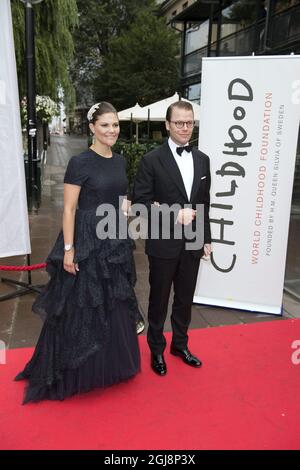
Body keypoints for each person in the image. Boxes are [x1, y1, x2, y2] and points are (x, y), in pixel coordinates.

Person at [15, 102, 141, 403]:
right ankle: (74, 371)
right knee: (82, 307)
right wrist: (69, 249)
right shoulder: (80, 162)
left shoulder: (120, 161)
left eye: (115, 125)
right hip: (85, 239)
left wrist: (133, 216)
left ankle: (109, 366)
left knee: (113, 302)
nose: (112, 130)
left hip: (112, 237)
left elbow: (120, 201)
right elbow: (69, 209)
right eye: (106, 125)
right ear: (92, 128)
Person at [133, 101, 211, 376]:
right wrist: (173, 216)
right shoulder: (151, 160)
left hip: (192, 242)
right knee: (159, 300)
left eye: (189, 122)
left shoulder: (202, 159)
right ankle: (156, 349)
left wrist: (206, 238)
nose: (185, 128)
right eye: (179, 122)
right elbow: (139, 205)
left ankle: (180, 345)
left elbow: (204, 203)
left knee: (185, 299)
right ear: (167, 125)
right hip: (163, 244)